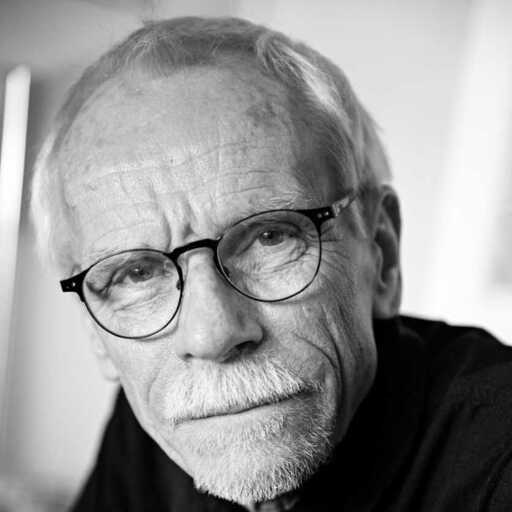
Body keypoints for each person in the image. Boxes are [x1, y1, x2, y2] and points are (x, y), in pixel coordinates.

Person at [30, 16, 512, 512]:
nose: (211, 337)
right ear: (97, 335)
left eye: (270, 237)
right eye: (137, 274)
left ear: (381, 253)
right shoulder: (163, 414)